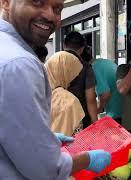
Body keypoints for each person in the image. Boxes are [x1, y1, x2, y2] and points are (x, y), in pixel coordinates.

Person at [0, 0, 110, 179]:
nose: (51, 15)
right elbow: (45, 167)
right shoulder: (20, 64)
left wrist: (43, 138)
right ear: (5, 2)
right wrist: (88, 159)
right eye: (37, 2)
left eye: (57, 9)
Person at [45, 51, 85, 136]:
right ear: (65, 72)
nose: (73, 79)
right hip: (62, 148)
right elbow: (77, 136)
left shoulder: (37, 94)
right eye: (72, 74)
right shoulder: (69, 101)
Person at [64, 32, 98, 128]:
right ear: (82, 49)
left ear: (64, 45)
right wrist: (95, 122)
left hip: (57, 117)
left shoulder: (53, 63)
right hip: (80, 119)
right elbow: (90, 99)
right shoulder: (86, 68)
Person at [93, 58, 123, 123]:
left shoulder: (94, 67)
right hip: (124, 111)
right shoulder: (106, 62)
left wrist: (99, 109)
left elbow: (105, 94)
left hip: (115, 114)